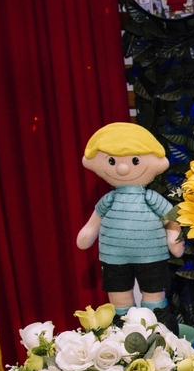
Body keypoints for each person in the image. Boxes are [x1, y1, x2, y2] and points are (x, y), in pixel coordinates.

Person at [76, 123, 184, 331]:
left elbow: (172, 218)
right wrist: (87, 233)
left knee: (154, 294)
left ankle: (157, 321)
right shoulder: (108, 200)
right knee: (119, 295)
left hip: (152, 256)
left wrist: (174, 237)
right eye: (112, 161)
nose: (122, 168)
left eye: (135, 161)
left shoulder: (151, 198)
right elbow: (92, 224)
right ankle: (122, 323)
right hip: (114, 257)